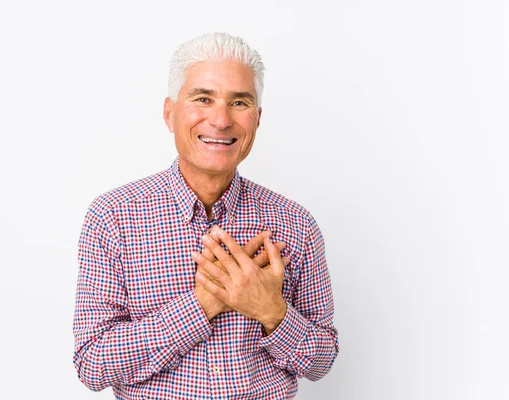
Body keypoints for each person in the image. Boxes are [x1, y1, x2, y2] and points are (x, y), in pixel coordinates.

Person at [73, 32, 339, 400]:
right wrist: (204, 303)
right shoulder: (114, 217)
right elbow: (92, 362)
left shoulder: (296, 223)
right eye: (203, 98)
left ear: (257, 120)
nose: (221, 119)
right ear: (170, 113)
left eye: (239, 102)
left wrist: (271, 311)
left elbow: (322, 361)